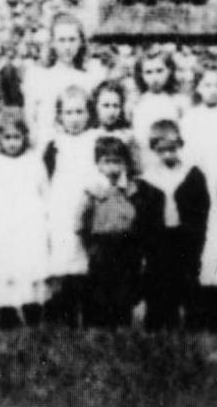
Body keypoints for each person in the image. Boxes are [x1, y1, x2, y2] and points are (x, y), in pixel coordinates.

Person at [137, 118, 214, 332]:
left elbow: (202, 207)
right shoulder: (147, 180)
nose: (168, 155)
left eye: (172, 149)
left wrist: (196, 233)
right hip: (159, 239)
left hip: (186, 237)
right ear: (154, 150)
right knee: (158, 280)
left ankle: (193, 325)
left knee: (188, 279)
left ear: (180, 145)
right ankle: (159, 324)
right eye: (162, 151)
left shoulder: (192, 175)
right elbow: (143, 215)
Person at [40, 86, 102, 327]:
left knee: (86, 258)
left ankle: (90, 313)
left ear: (89, 114)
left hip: (88, 204)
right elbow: (45, 178)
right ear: (59, 116)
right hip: (61, 206)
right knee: (64, 257)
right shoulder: (54, 144)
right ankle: (63, 315)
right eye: (68, 113)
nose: (74, 119)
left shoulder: (95, 140)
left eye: (80, 112)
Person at [0, 114, 51, 330]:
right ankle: (7, 311)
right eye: (7, 138)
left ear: (25, 137)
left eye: (17, 137)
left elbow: (44, 191)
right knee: (6, 267)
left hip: (30, 222)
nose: (12, 143)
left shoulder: (33, 161)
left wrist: (45, 219)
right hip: (4, 224)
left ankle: (32, 308)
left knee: (30, 264)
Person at [79, 136, 146, 328]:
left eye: (117, 162)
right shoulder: (94, 190)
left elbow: (138, 216)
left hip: (126, 243)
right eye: (107, 162)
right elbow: (81, 220)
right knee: (100, 286)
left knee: (124, 286)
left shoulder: (131, 189)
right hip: (101, 244)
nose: (113, 168)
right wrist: (89, 244)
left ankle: (122, 323)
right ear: (98, 165)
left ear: (125, 163)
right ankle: (99, 325)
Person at [18, 13, 101, 146]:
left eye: (72, 40)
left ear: (81, 42)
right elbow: (30, 118)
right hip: (47, 144)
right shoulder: (38, 76)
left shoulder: (89, 79)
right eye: (62, 40)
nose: (67, 47)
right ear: (52, 43)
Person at [130, 53, 187, 159]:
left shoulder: (179, 101)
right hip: (146, 157)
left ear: (169, 71)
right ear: (141, 75)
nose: (154, 77)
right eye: (148, 72)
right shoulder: (137, 103)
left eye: (159, 71)